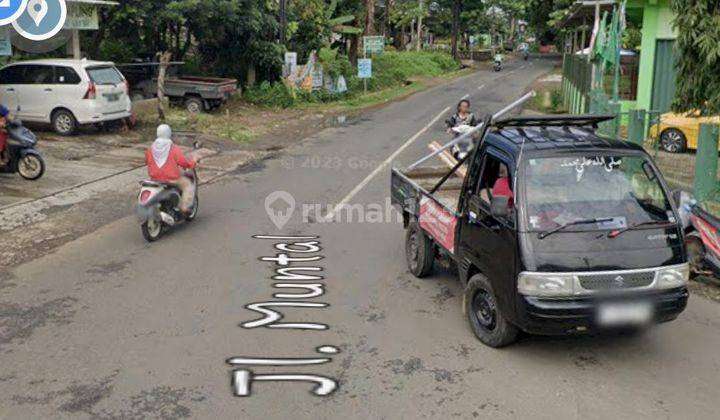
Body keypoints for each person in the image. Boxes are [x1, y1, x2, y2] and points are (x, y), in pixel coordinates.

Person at [145, 124, 197, 213]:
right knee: (187, 184)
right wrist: (193, 161)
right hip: (171, 179)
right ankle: (184, 207)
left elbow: (147, 161)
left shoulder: (150, 149)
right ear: (169, 134)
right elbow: (183, 162)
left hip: (154, 180)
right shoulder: (173, 148)